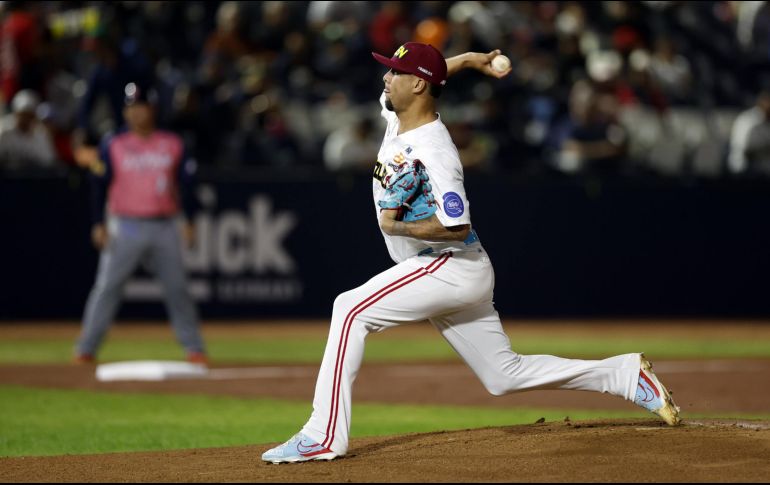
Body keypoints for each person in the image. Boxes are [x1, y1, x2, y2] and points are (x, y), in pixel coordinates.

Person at [261, 43, 680, 464]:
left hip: (448, 265)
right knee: (503, 376)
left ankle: (324, 434)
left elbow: (456, 225)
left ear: (418, 84)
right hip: (448, 268)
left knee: (349, 309)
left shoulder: (436, 150)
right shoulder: (396, 116)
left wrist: (397, 226)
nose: (386, 78)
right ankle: (624, 375)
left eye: (394, 72)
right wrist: (468, 61)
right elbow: (426, 76)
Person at [73, 82, 207, 366]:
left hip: (164, 224)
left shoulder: (171, 143)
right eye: (131, 107)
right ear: (125, 111)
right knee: (107, 287)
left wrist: (189, 220)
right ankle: (86, 348)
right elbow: (98, 185)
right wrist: (98, 222)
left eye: (142, 106)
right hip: (125, 224)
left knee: (177, 288)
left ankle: (194, 347)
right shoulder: (113, 143)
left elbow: (187, 186)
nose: (136, 112)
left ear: (153, 109)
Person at [0, 89, 56, 170]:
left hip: (33, 180)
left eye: (29, 115)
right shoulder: (4, 130)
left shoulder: (41, 133)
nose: (26, 119)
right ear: (16, 113)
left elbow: (49, 162)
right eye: (23, 114)